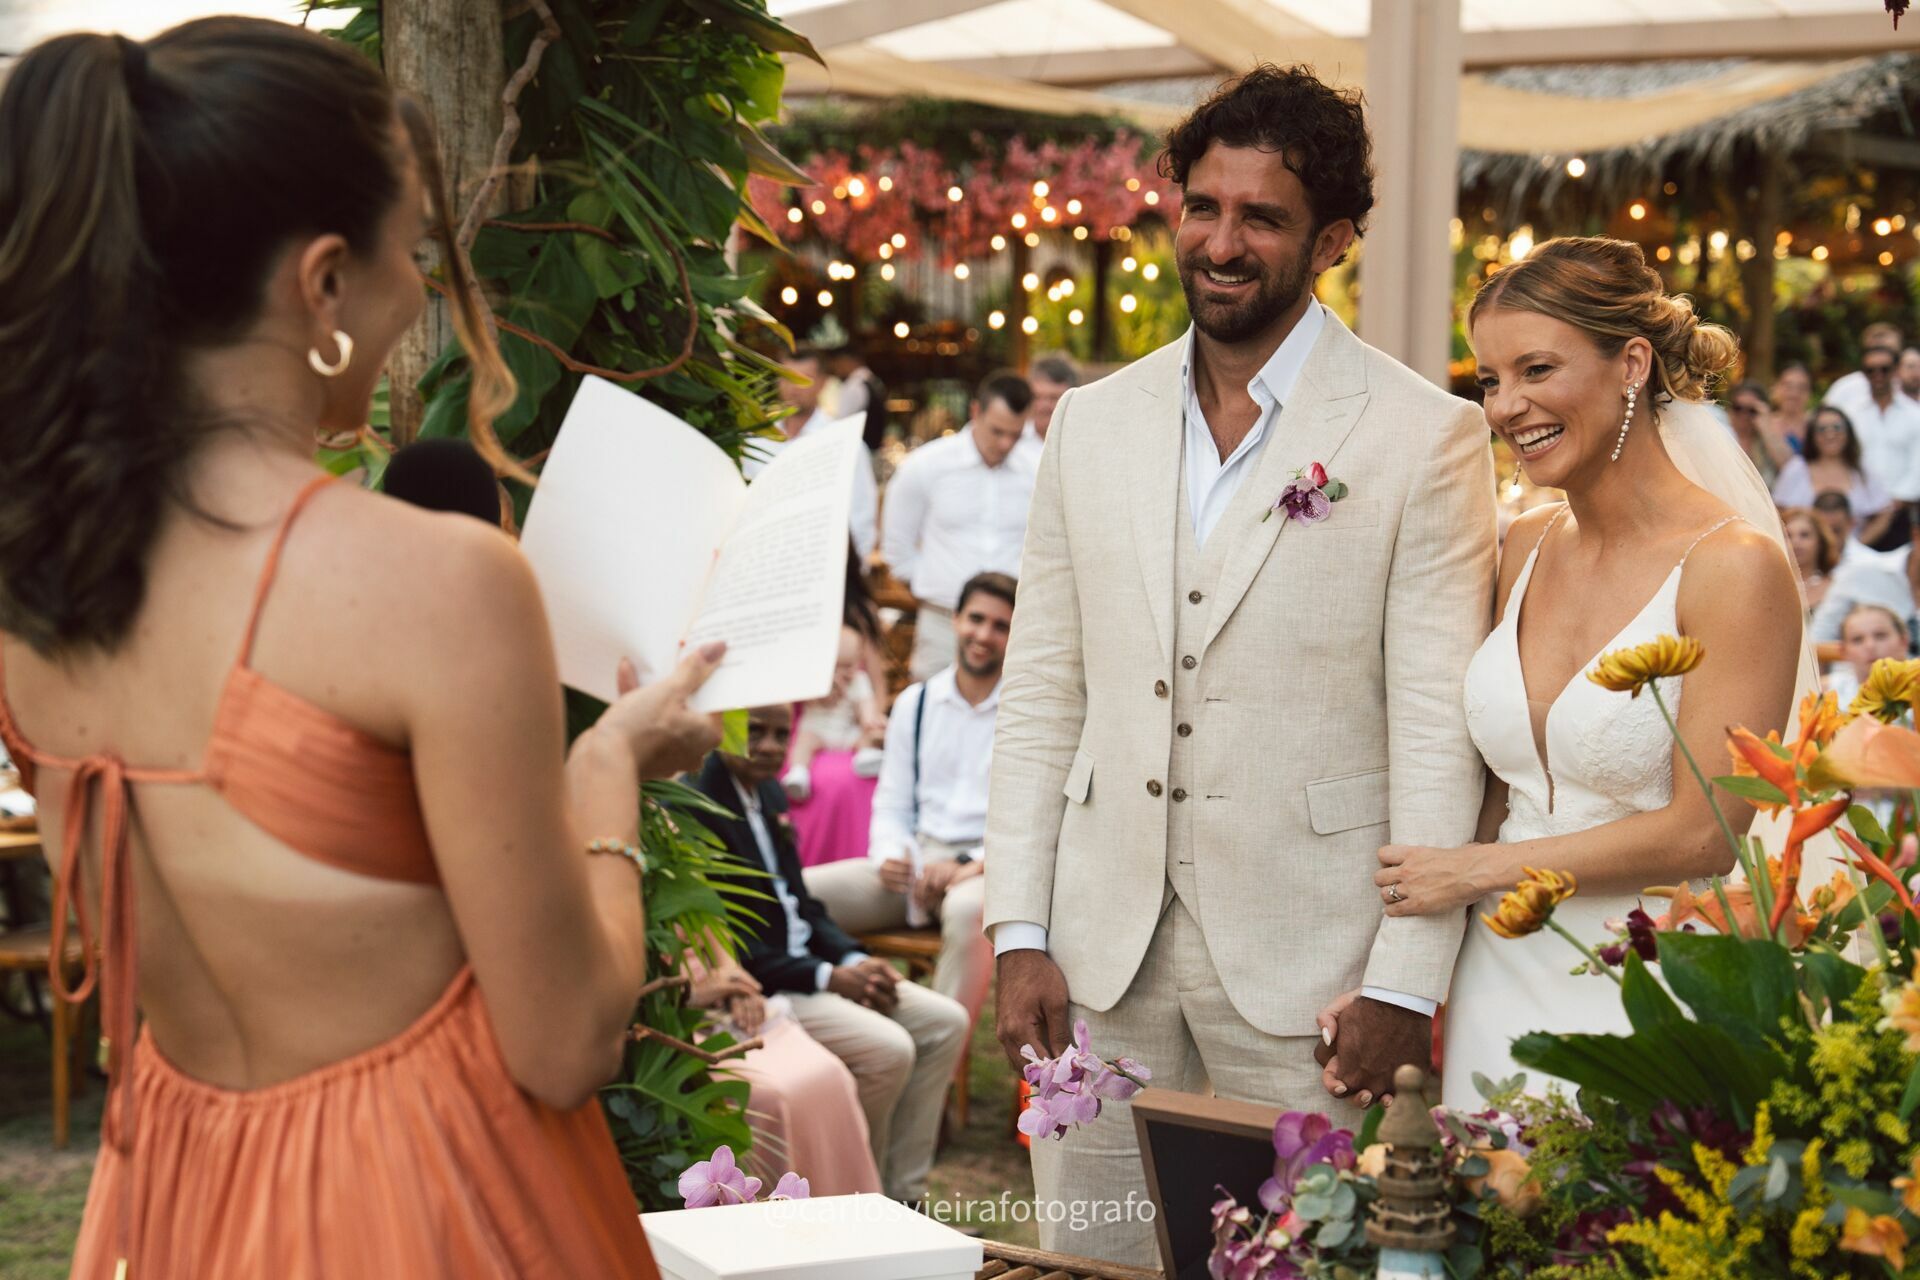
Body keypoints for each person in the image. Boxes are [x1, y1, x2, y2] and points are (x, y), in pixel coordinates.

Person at [0, 20, 719, 1276]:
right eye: (414, 254)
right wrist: (604, 772)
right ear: (322, 282)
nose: (417, 295)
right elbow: (560, 1044)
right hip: (430, 1205)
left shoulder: (33, 586)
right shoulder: (434, 579)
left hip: (181, 1203)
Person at [983, 65, 1497, 1264]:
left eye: (1260, 217)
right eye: (1202, 206)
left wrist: (1404, 982)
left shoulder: (1426, 436)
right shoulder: (1090, 422)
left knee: (1309, 1261)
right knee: (1088, 1253)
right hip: (1096, 949)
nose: (1220, 241)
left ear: (1332, 239)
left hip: (1318, 965)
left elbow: (1436, 731)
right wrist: (1018, 925)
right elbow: (1045, 686)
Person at [1363, 237, 1803, 1112]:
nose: (1506, 407)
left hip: (1650, 982)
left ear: (1632, 363)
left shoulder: (1734, 567)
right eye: (1490, 380)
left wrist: (1476, 871)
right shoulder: (1520, 546)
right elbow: (1493, 784)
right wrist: (1404, 981)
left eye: (1536, 369)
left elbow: (1705, 834)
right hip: (1497, 977)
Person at [688, 706, 968, 1205]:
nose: (772, 747)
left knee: (946, 1020)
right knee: (889, 1050)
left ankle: (906, 1195)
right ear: (724, 724)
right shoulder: (699, 802)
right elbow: (736, 947)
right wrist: (829, 976)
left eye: (780, 733)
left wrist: (853, 960)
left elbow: (802, 904)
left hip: (812, 967)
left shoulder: (768, 790)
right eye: (756, 731)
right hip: (769, 986)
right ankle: (860, 1197)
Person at [805, 573, 1014, 1030]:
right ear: (955, 620)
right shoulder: (916, 703)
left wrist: (969, 863)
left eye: (1000, 625)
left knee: (966, 910)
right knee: (803, 892)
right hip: (914, 862)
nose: (984, 635)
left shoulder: (1022, 712)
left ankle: (937, 1062)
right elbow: (892, 803)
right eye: (976, 619)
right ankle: (833, 1033)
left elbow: (1027, 820)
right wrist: (890, 854)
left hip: (984, 872)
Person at [682, 944, 885, 1197]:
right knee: (771, 1098)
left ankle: (846, 1207)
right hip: (679, 1025)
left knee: (833, 1074)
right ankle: (771, 1211)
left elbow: (720, 941)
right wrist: (688, 994)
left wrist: (737, 985)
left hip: (727, 1009)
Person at [881, 373, 1036, 680]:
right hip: (943, 619)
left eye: (1015, 435)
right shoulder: (926, 465)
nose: (1005, 443)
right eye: (997, 431)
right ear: (976, 412)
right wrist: (935, 587)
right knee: (933, 711)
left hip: (1015, 625)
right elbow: (897, 547)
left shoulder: (1035, 470)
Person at [756, 348, 879, 561]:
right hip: (762, 566)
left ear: (822, 383)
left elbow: (861, 518)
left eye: (803, 380)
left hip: (818, 567)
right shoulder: (755, 442)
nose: (793, 388)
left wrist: (848, 580)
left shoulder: (843, 444)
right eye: (786, 378)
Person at [784, 622, 887, 867]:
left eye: (849, 666)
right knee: (804, 744)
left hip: (847, 733)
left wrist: (871, 721)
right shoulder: (814, 679)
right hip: (816, 730)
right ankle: (798, 773)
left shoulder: (859, 681)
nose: (844, 673)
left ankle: (866, 756)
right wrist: (820, 690)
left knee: (865, 740)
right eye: (836, 666)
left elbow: (867, 706)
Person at [1826, 343, 1920, 545]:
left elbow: (1917, 466)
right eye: (1870, 370)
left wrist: (1894, 503)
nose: (1878, 375)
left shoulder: (1915, 415)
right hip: (1857, 512)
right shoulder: (1850, 413)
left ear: (1896, 371)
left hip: (1902, 513)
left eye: (1884, 369)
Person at [1771, 404, 1895, 546]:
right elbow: (1778, 512)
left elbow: (1884, 513)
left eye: (1837, 427)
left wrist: (1858, 546)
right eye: (1821, 429)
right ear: (1812, 435)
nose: (1830, 434)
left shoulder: (1862, 471)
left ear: (1848, 432)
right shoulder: (1796, 469)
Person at [1827, 603, 1910, 706]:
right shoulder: (1826, 693)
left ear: (1903, 641)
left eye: (1880, 636)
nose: (1870, 646)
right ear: (1843, 651)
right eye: (1857, 639)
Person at [1015, 354, 1080, 469]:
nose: (1043, 406)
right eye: (1037, 397)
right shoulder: (1012, 439)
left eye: (1053, 398)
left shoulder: (1082, 443)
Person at [1826, 321, 1908, 412]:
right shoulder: (1845, 388)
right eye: (1875, 350)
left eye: (1888, 351)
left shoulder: (1913, 385)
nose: (1880, 358)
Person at [1724, 379, 1789, 486]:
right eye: (1738, 408)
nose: (1744, 415)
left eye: (1751, 410)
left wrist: (1766, 427)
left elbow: (1789, 467)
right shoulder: (1722, 435)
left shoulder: (1766, 442)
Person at [826, 344, 889, 452]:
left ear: (845, 361)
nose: (836, 369)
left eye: (836, 364)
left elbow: (841, 423)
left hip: (858, 450)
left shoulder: (854, 386)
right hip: (873, 449)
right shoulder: (874, 381)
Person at [1781, 506, 1841, 615]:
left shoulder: (1837, 587)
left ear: (1820, 542)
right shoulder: (1771, 587)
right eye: (1789, 536)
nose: (1796, 542)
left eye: (1804, 535)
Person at [1771, 361, 1813, 454]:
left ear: (1809, 393)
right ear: (1776, 388)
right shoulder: (1764, 424)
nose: (1794, 393)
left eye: (1801, 387)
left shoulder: (1816, 426)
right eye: (1788, 386)